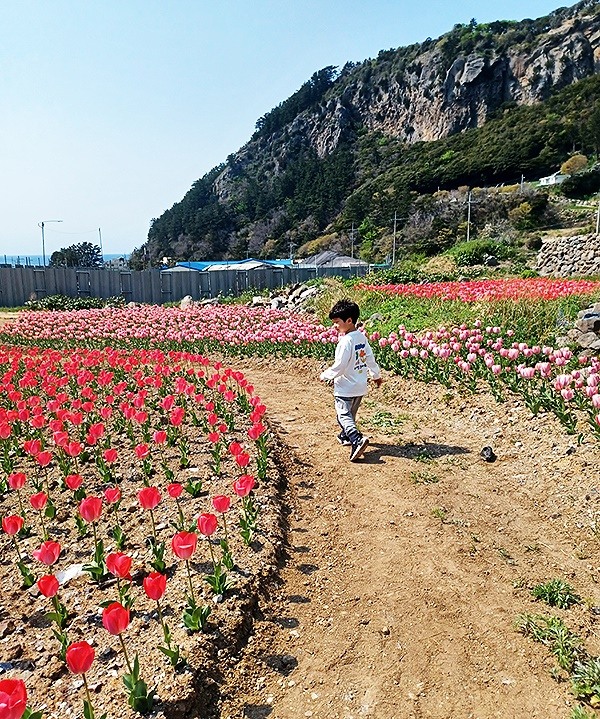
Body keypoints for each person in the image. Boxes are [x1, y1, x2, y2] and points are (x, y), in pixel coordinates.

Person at [320, 299, 382, 462]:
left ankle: (356, 439)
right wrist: (376, 375)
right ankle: (345, 436)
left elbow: (340, 365)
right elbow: (370, 358)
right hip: (360, 386)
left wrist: (326, 375)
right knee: (350, 415)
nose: (335, 326)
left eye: (337, 322)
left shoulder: (345, 342)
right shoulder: (361, 338)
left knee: (343, 415)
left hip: (345, 387)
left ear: (349, 320)